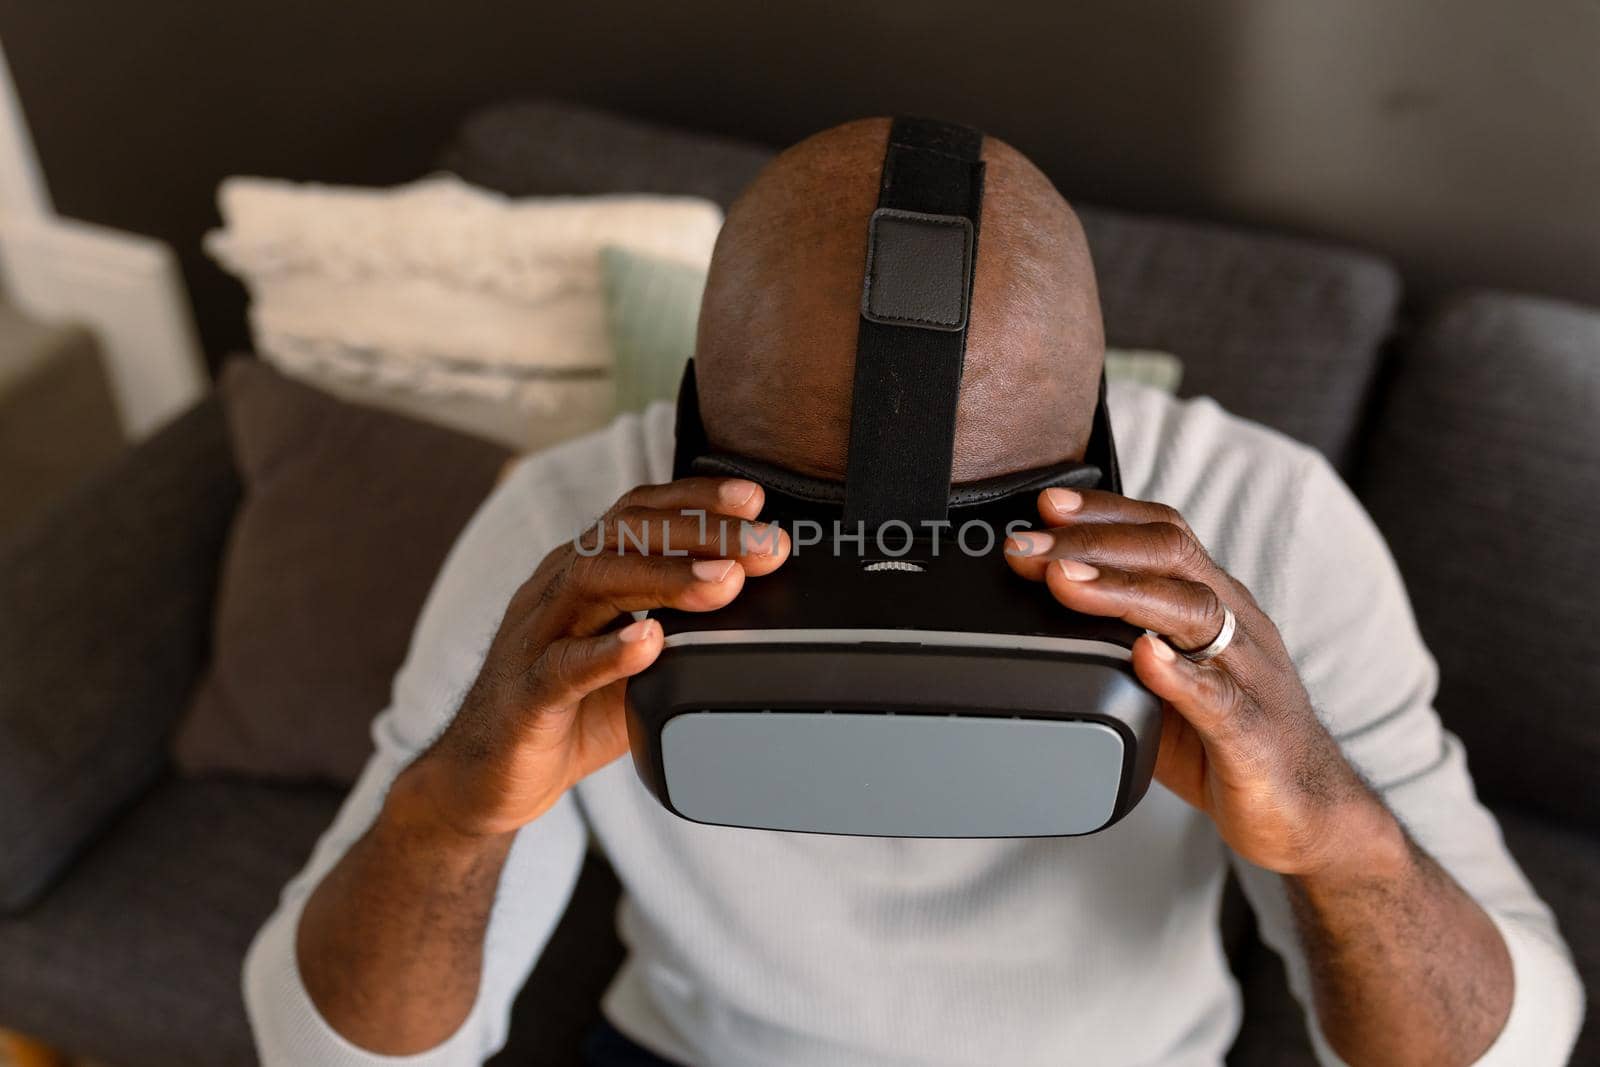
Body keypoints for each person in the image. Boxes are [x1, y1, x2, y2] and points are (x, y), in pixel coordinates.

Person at [245, 119, 1583, 1066]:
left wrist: (1333, 830)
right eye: (814, 520)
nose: (892, 583)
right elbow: (333, 1056)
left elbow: (1516, 1047)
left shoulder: (1259, 528)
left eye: (976, 526)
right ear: (700, 408)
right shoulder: (574, 539)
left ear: (1098, 428)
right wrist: (452, 808)